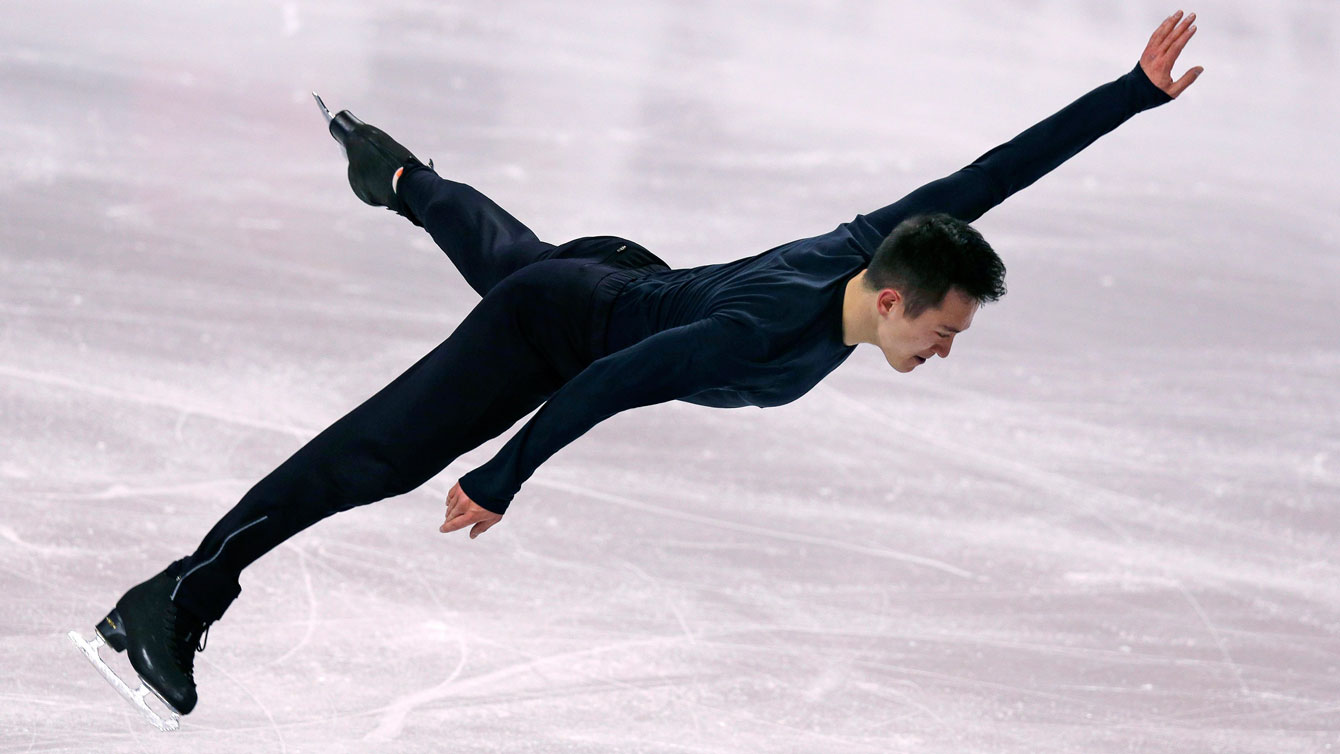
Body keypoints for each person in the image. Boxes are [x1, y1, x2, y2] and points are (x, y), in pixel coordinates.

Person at [76, 11, 1202, 722]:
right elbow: (604, 384)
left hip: (618, 278)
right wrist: (499, 476)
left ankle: (404, 180)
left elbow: (1001, 169)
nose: (941, 350)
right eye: (940, 332)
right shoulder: (758, 333)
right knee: (375, 457)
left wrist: (1132, 94)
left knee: (534, 266)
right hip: (564, 326)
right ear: (895, 300)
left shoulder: (891, 243)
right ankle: (173, 595)